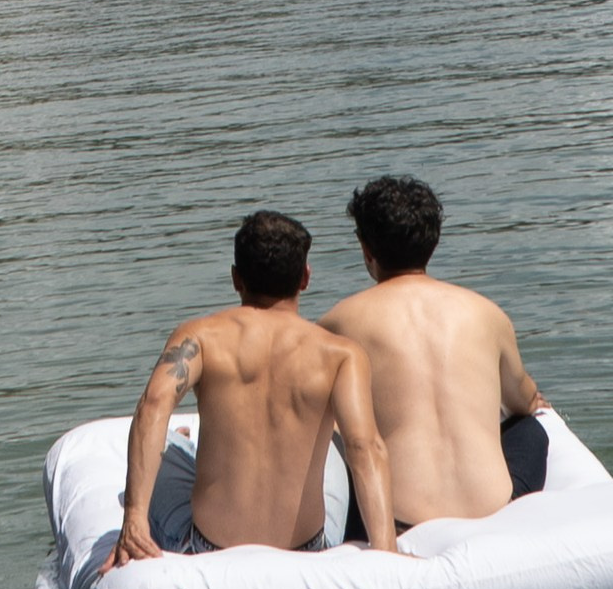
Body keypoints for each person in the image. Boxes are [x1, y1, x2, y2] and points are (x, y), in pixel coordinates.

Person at [110, 208, 399, 562]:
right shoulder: (341, 354)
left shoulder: (199, 337)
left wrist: (134, 519)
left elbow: (153, 406)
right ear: (305, 277)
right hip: (307, 546)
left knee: (168, 447)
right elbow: (365, 447)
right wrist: (386, 553)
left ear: (236, 278)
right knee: (339, 439)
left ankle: (184, 442)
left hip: (210, 546)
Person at [322, 175, 549, 529]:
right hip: (498, 507)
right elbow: (523, 400)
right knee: (529, 430)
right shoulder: (487, 313)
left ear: (367, 250)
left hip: (396, 519)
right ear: (434, 241)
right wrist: (531, 399)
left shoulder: (338, 321)